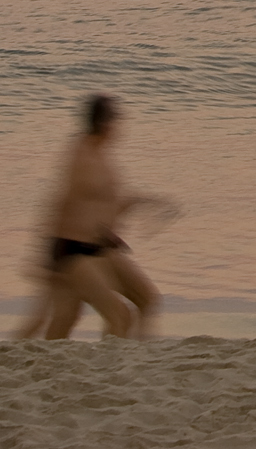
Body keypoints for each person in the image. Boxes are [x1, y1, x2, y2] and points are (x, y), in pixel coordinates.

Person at [34, 95, 169, 339]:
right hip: (72, 249)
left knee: (147, 299)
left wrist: (145, 202)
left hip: (101, 244)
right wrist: (44, 258)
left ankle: (135, 356)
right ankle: (112, 364)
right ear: (106, 124)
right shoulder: (80, 156)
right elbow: (61, 202)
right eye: (115, 121)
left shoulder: (102, 156)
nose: (118, 128)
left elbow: (105, 205)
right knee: (113, 314)